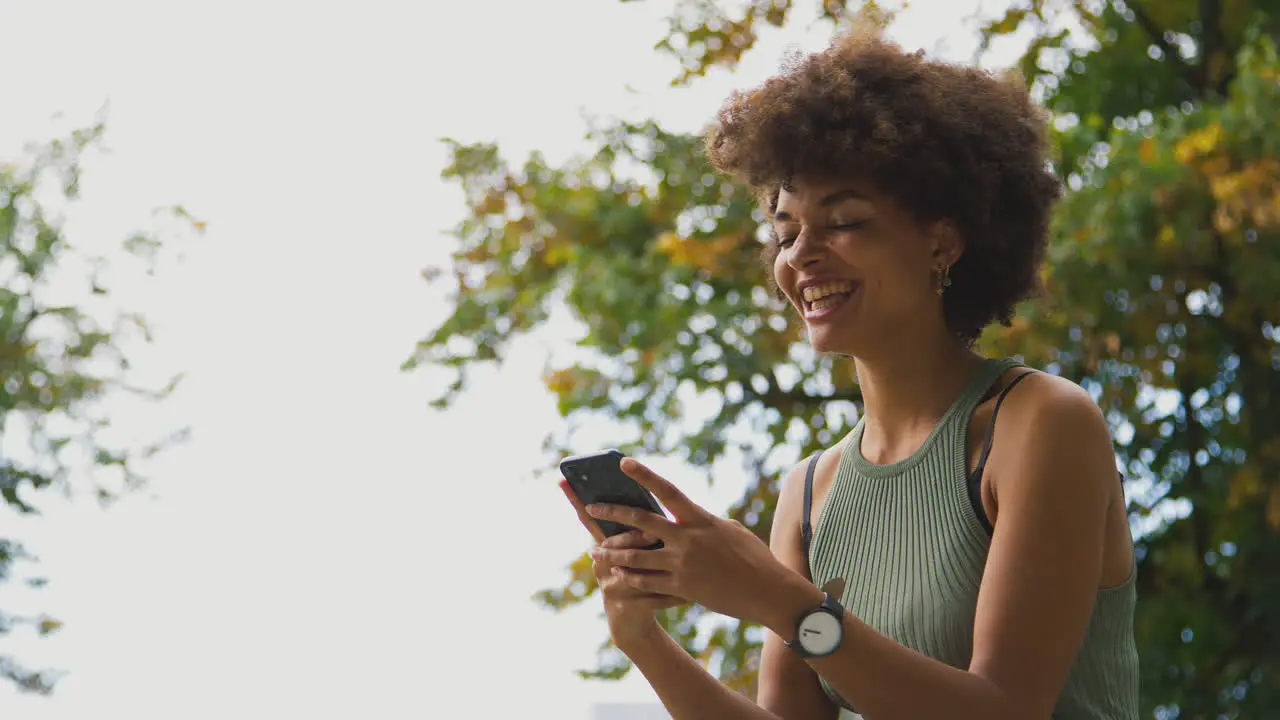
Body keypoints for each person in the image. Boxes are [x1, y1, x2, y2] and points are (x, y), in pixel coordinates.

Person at [559, 30, 1140, 720]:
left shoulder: (1041, 423)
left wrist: (778, 599)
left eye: (844, 222)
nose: (801, 255)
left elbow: (1004, 710)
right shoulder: (809, 492)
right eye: (784, 232)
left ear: (942, 243)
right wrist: (644, 641)